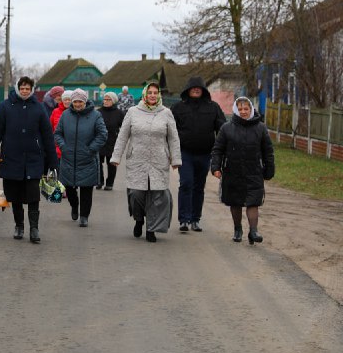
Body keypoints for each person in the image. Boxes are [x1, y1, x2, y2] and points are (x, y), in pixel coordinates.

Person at [0, 76, 58, 243]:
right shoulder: (5, 107)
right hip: (11, 158)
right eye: (22, 88)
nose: (25, 91)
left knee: (33, 195)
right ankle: (19, 226)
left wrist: (53, 162)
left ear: (32, 90)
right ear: (17, 88)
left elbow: (47, 137)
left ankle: (34, 228)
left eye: (28, 88)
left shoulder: (39, 108)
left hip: (33, 159)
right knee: (15, 195)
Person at [110, 82, 181, 243]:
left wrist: (176, 159)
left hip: (159, 160)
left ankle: (151, 228)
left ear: (159, 95)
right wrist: (116, 157)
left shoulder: (166, 113)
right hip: (137, 160)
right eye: (150, 92)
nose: (153, 95)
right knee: (136, 194)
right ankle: (139, 220)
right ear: (144, 95)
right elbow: (123, 136)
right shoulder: (133, 112)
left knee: (156, 195)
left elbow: (173, 137)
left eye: (156, 92)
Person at [211, 97, 275, 244]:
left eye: (246, 109)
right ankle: (238, 229)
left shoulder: (260, 128)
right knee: (236, 201)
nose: (243, 112)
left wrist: (269, 169)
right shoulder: (227, 128)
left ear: (251, 109)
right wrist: (216, 167)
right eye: (240, 109)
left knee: (253, 202)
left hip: (254, 171)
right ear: (235, 110)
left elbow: (268, 151)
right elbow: (218, 150)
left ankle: (253, 231)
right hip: (233, 171)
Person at [171, 76, 227, 233]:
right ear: (187, 90)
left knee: (199, 187)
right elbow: (169, 130)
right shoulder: (178, 108)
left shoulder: (213, 107)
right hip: (185, 153)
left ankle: (195, 219)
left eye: (199, 87)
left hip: (205, 154)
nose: (196, 89)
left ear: (203, 90)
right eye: (193, 87)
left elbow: (222, 129)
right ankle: (184, 220)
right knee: (186, 183)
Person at [54, 89, 107, 227]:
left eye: (80, 102)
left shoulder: (95, 115)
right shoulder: (65, 115)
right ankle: (74, 205)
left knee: (86, 189)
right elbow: (58, 133)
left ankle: (84, 216)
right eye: (75, 101)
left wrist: (91, 149)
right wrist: (63, 147)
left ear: (85, 102)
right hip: (68, 158)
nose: (78, 104)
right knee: (69, 188)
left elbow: (102, 134)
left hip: (87, 158)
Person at [97, 92, 125, 190]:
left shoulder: (119, 113)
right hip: (99, 142)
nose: (106, 101)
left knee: (111, 164)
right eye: (105, 99)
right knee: (97, 163)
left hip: (112, 142)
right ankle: (99, 181)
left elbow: (124, 128)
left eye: (108, 99)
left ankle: (110, 183)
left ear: (113, 101)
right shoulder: (98, 112)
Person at [49, 89, 72, 158]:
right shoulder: (55, 112)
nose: (67, 101)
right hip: (58, 150)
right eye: (65, 99)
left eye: (69, 100)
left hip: (72, 150)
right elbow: (50, 129)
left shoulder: (77, 113)